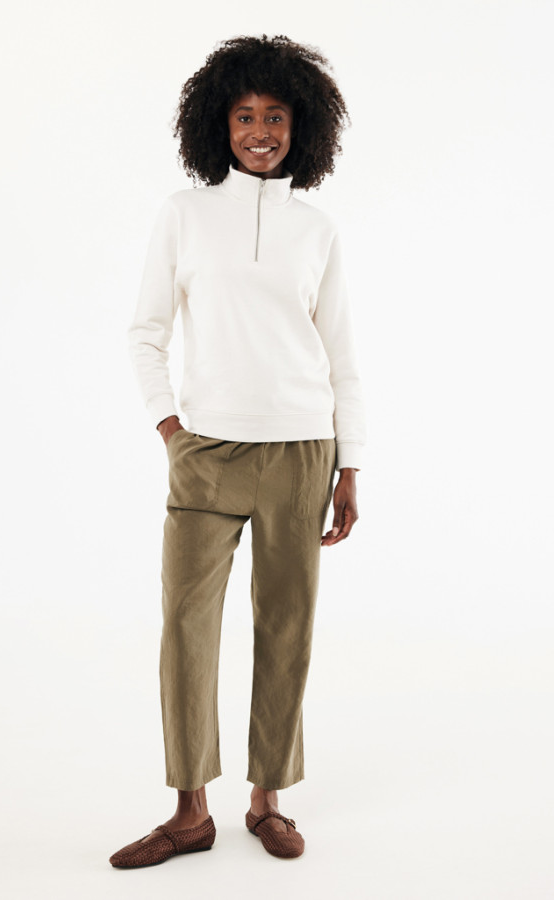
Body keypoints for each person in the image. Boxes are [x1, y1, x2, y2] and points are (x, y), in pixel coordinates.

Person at [109, 33, 366, 867]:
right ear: (219, 124)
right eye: (246, 115)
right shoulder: (183, 216)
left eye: (276, 116)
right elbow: (145, 333)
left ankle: (267, 800)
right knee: (185, 626)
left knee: (286, 627)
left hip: (301, 452)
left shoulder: (317, 230)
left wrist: (350, 464)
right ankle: (190, 812)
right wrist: (171, 430)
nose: (261, 131)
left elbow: (342, 355)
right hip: (207, 455)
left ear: (301, 126)